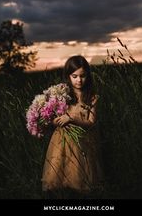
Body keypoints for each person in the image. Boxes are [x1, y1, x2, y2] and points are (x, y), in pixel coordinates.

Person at [41, 55, 104, 199]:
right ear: (68, 76)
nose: (79, 80)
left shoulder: (92, 97)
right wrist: (55, 121)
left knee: (79, 174)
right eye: (74, 76)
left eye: (83, 76)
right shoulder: (62, 94)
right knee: (60, 173)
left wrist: (71, 119)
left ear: (88, 76)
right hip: (62, 141)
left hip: (83, 141)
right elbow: (52, 117)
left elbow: (91, 122)